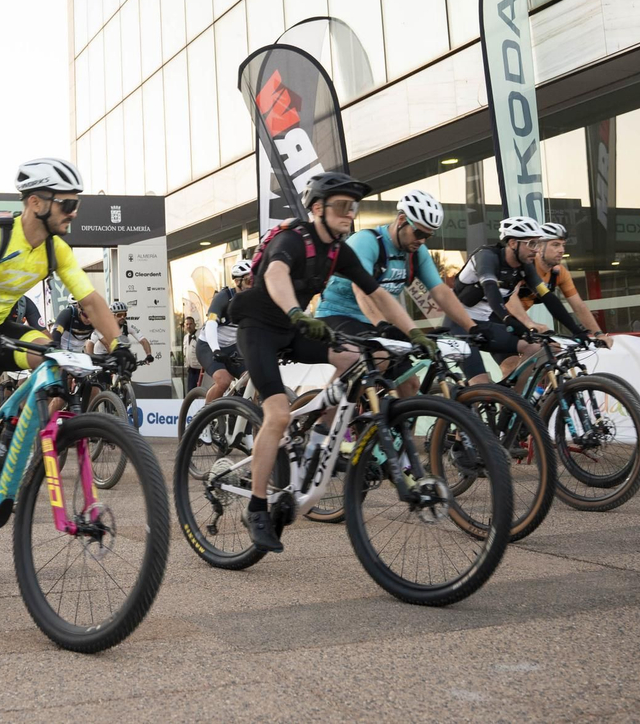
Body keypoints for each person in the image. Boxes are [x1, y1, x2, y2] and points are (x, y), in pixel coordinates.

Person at [0, 157, 133, 585]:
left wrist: (118, 344)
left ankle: (13, 435)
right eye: (67, 205)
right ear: (36, 202)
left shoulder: (56, 249)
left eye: (76, 205)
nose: (74, 213)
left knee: (57, 358)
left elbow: (90, 302)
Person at [231, 171, 426, 553]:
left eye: (353, 208)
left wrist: (414, 333)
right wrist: (295, 311)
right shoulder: (293, 238)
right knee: (278, 414)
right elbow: (275, 273)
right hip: (259, 329)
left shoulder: (339, 250)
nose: (348, 215)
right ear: (318, 208)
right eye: (341, 207)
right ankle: (255, 507)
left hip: (294, 327)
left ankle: (319, 439)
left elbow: (379, 294)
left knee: (359, 358)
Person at [314, 190, 486, 395]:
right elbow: (361, 290)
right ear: (402, 220)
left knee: (409, 384)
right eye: (419, 233)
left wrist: (472, 327)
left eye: (428, 235)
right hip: (338, 313)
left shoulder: (415, 252)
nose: (422, 241)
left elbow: (440, 291)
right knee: (378, 359)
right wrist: (382, 325)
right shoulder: (367, 241)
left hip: (375, 321)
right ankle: (326, 420)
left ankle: (385, 423)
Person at [452, 217, 587, 385]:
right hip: (459, 325)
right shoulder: (486, 257)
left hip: (484, 325)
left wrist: (577, 331)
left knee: (537, 349)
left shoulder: (524, 266)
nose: (536, 250)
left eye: (537, 244)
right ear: (513, 243)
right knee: (482, 384)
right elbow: (491, 291)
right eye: (531, 244)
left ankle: (515, 406)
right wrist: (508, 320)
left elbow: (548, 297)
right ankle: (463, 406)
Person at [517, 222, 608, 342]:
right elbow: (509, 300)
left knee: (554, 350)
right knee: (517, 357)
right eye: (555, 245)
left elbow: (578, 306)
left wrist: (598, 334)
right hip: (498, 318)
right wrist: (529, 323)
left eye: (563, 245)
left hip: (519, 321)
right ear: (539, 247)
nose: (561, 250)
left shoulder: (559, 273)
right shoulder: (526, 267)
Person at [199, 261, 254, 403]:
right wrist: (216, 349)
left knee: (253, 381)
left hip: (233, 346)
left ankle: (251, 420)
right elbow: (211, 323)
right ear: (237, 281)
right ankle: (205, 420)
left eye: (255, 280)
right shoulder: (223, 297)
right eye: (249, 280)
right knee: (224, 381)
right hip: (209, 346)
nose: (252, 284)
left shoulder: (254, 299)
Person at [86, 301, 152, 361]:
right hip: (100, 355)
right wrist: (91, 360)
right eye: (119, 315)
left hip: (115, 355)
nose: (122, 317)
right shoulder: (102, 326)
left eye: (125, 314)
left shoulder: (127, 325)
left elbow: (143, 340)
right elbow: (90, 343)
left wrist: (149, 355)